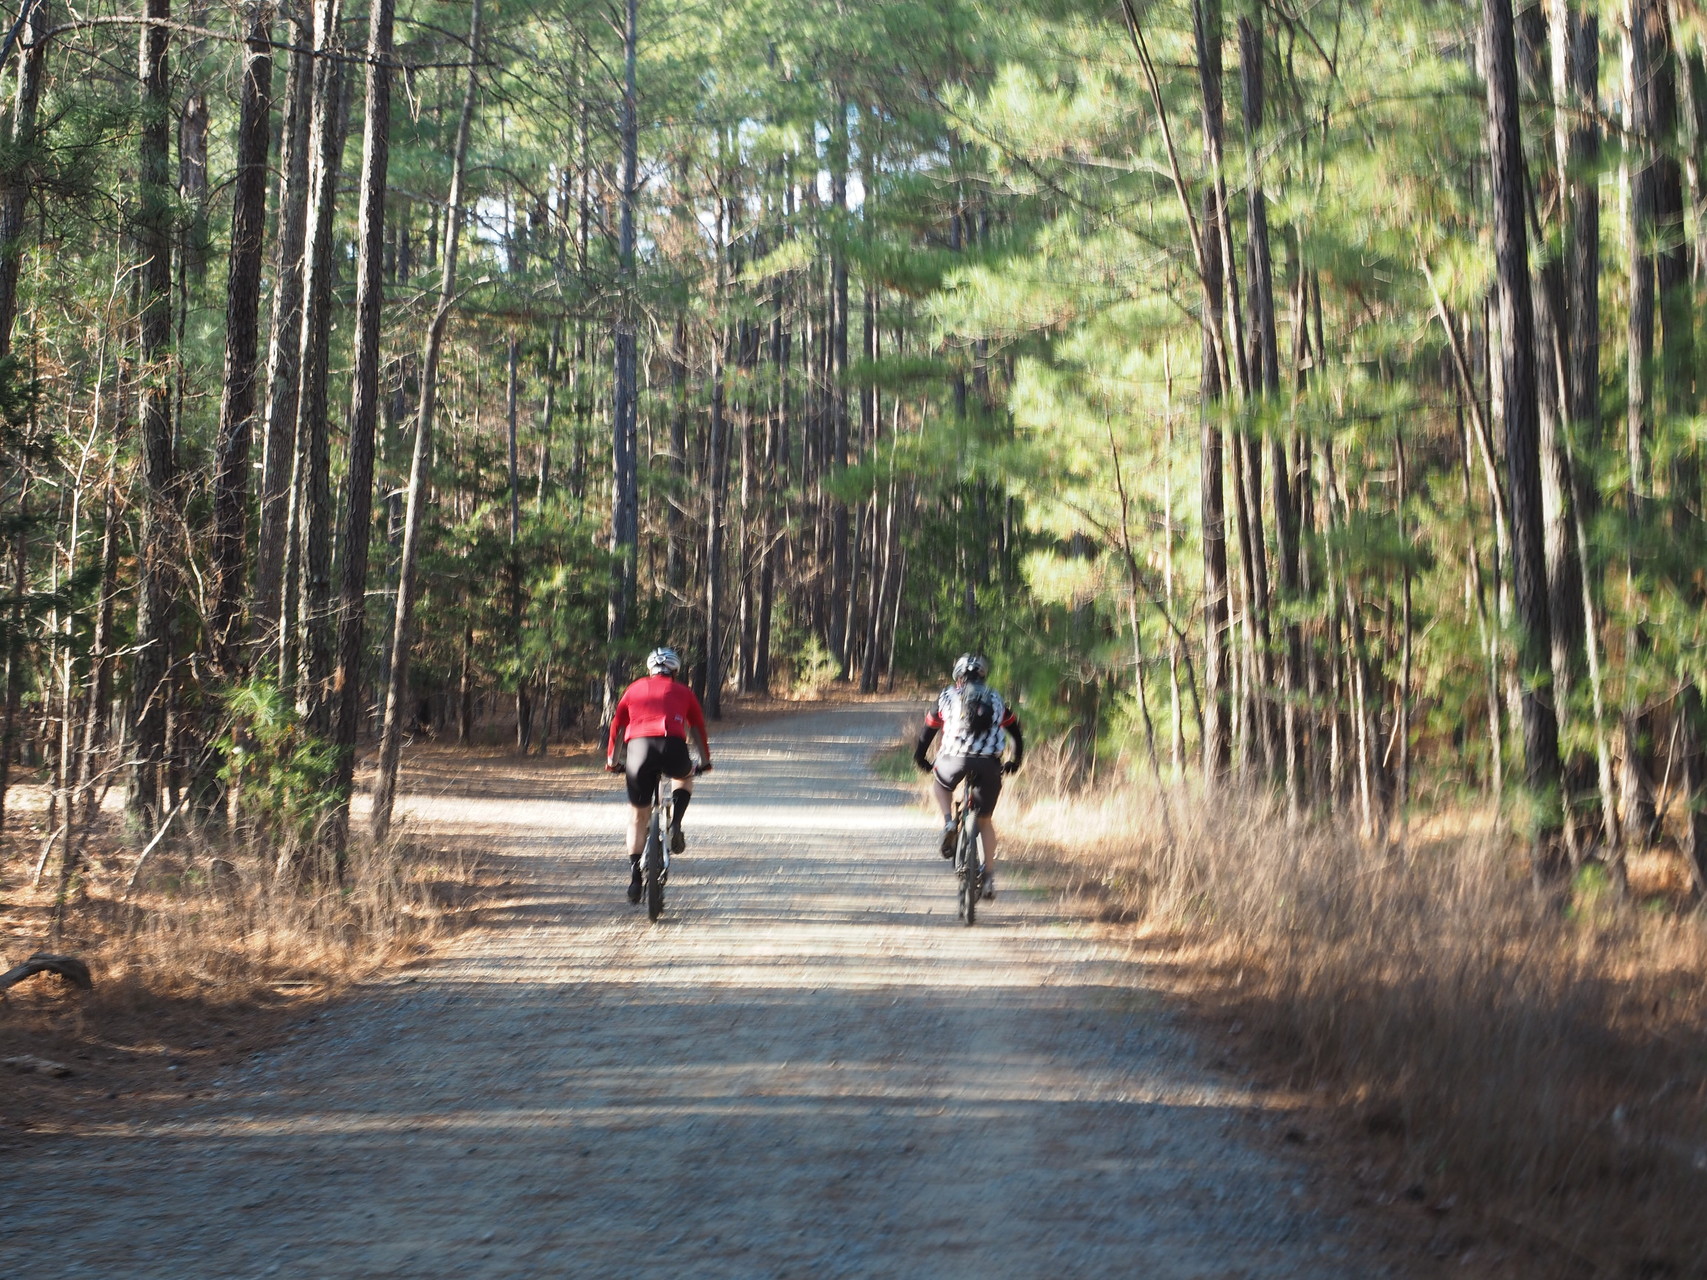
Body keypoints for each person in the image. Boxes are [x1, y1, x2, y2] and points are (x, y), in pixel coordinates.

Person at [605, 648, 713, 903]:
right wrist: (705, 762)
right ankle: (676, 822)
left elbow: (617, 724)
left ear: (649, 670)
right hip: (672, 746)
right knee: (684, 776)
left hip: (638, 751)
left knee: (636, 816)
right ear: (674, 671)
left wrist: (612, 761)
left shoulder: (633, 689)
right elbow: (697, 728)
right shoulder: (684, 692)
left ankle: (634, 876)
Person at [913, 653, 1023, 899]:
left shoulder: (946, 696)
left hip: (954, 759)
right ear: (983, 675)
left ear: (958, 675)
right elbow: (1016, 733)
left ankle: (950, 821)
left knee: (940, 785)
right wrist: (1014, 761)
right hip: (989, 765)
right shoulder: (996, 698)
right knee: (985, 822)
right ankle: (989, 878)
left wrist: (921, 758)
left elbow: (927, 732)